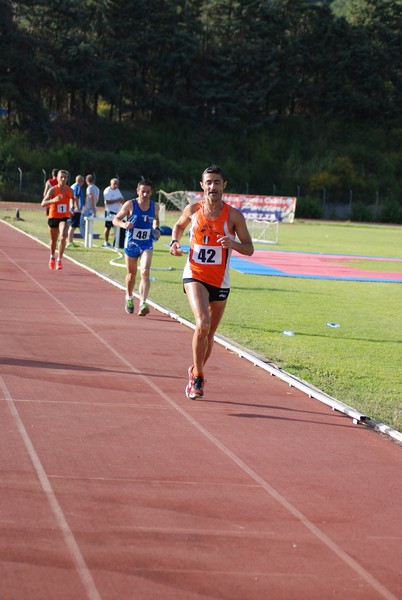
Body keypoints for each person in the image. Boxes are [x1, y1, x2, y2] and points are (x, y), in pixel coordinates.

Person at [169, 165, 254, 400]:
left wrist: (233, 244)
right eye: (209, 182)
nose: (213, 187)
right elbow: (178, 226)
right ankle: (198, 378)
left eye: (217, 182)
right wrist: (174, 243)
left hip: (220, 280)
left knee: (210, 334)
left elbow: (250, 249)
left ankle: (196, 369)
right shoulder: (193, 210)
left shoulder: (234, 216)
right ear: (202, 185)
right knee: (202, 323)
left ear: (224, 185)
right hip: (195, 274)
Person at [112, 178, 161, 316]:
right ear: (137, 191)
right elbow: (115, 219)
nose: (145, 195)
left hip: (147, 243)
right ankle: (129, 296)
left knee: (145, 271)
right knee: (131, 275)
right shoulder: (130, 204)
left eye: (148, 192)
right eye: (143, 192)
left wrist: (156, 229)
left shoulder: (155, 206)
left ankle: (143, 302)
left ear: (151, 192)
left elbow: (156, 220)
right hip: (131, 244)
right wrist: (124, 225)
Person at [41, 169, 73, 270]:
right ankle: (52, 257)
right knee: (53, 241)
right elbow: (43, 203)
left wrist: (72, 207)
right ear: (57, 178)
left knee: (63, 236)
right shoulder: (53, 190)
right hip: (54, 216)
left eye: (65, 177)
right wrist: (53, 200)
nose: (63, 179)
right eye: (61, 177)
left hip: (64, 216)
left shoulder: (70, 190)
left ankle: (59, 259)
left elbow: (72, 199)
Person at [102, 178, 124, 247]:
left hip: (117, 211)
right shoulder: (107, 190)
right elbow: (107, 202)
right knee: (108, 227)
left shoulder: (117, 190)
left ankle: (116, 242)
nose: (116, 185)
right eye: (115, 183)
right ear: (111, 183)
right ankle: (106, 242)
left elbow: (122, 199)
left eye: (117, 183)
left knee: (117, 227)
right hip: (109, 211)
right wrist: (117, 200)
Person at [79, 174, 100, 242]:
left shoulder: (89, 188)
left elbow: (91, 198)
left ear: (86, 180)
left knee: (81, 224)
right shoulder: (97, 188)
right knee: (89, 226)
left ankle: (86, 239)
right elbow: (97, 199)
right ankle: (88, 239)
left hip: (89, 209)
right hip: (93, 208)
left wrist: (93, 209)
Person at [67, 174, 84, 247]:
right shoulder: (77, 187)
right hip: (75, 209)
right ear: (81, 181)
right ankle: (69, 242)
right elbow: (75, 197)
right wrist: (77, 208)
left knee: (73, 225)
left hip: (72, 208)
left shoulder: (72, 186)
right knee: (73, 226)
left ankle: (70, 241)